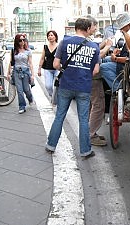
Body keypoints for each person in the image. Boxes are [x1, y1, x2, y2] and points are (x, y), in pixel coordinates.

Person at [45, 17, 100, 158]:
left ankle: (51, 145)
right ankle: (85, 151)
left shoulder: (64, 42)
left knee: (59, 116)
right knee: (83, 120)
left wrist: (66, 69)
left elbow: (55, 65)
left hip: (66, 85)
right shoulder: (94, 47)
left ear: (75, 28)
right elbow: (95, 71)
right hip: (84, 86)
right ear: (87, 29)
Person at [99, 13, 130, 91]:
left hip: (129, 67)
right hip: (125, 61)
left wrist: (115, 58)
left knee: (103, 67)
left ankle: (118, 89)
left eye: (122, 27)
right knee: (106, 59)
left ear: (129, 25)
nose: (120, 30)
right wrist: (119, 52)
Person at [87, 16, 113, 146]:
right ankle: (91, 135)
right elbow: (98, 55)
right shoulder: (86, 40)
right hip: (93, 77)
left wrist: (103, 43)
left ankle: (91, 132)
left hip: (87, 77)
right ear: (88, 26)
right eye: (94, 26)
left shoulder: (85, 40)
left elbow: (95, 47)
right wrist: (108, 46)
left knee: (92, 105)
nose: (96, 28)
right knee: (98, 105)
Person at [7, 33, 34, 114]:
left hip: (25, 71)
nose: (22, 42)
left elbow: (30, 63)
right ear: (17, 41)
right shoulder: (14, 51)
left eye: (23, 40)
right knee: (19, 90)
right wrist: (8, 73)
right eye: (20, 40)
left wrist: (32, 74)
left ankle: (30, 99)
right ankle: (22, 106)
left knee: (27, 90)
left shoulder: (28, 51)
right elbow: (11, 62)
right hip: (16, 72)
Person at [38, 30, 59, 99]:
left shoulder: (59, 46)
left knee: (57, 86)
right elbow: (42, 58)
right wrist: (39, 69)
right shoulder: (45, 47)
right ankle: (52, 97)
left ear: (55, 37)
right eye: (49, 35)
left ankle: (55, 100)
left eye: (52, 35)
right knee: (48, 86)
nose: (50, 37)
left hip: (57, 69)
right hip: (47, 69)